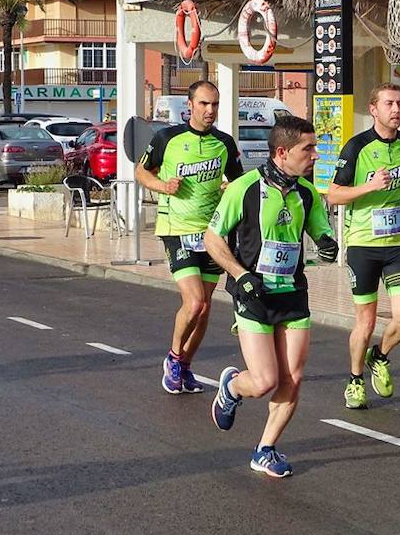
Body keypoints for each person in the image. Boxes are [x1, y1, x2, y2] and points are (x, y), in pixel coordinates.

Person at [204, 115, 338, 478]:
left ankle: (265, 449)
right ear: (282, 152)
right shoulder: (244, 188)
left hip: (293, 294)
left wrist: (327, 244)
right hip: (254, 294)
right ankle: (232, 386)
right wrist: (240, 274)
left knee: (292, 377)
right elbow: (212, 239)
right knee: (265, 382)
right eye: (308, 149)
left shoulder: (308, 194)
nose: (315, 156)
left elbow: (320, 231)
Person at [135, 81, 243, 395]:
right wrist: (163, 186)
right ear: (190, 104)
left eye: (215, 105)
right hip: (176, 228)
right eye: (204, 104)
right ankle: (172, 357)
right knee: (194, 301)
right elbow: (141, 172)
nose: (210, 111)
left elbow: (237, 183)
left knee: (206, 308)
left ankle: (185, 365)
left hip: (210, 233)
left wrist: (229, 191)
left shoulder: (224, 142)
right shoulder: (167, 137)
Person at [327, 83, 400, 409]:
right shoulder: (356, 147)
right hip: (362, 244)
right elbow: (333, 194)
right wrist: (369, 187)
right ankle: (355, 380)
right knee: (366, 322)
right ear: (374, 109)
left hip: (397, 245)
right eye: (389, 104)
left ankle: (379, 355)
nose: (396, 109)